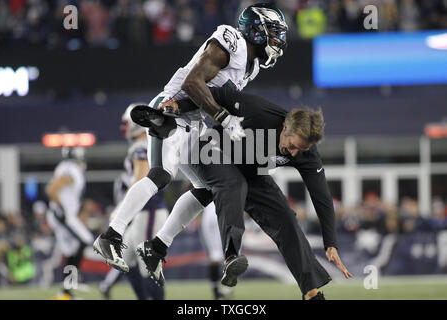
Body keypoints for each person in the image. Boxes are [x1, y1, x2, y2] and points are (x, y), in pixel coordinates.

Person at [93, 3, 289, 278]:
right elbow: (192, 84)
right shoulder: (230, 41)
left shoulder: (250, 67)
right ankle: (110, 235)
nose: (279, 40)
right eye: (274, 32)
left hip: (194, 122)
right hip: (170, 110)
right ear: (256, 31)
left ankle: (157, 247)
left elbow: (221, 100)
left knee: (207, 187)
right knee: (161, 175)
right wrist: (223, 118)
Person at [136, 86, 352, 300]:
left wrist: (330, 242)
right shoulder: (258, 111)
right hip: (214, 151)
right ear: (285, 127)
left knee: (287, 220)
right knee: (232, 184)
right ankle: (231, 255)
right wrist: (179, 105)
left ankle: (311, 294)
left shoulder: (306, 152)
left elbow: (321, 196)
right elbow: (218, 94)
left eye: (301, 150)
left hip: (252, 171)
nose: (295, 153)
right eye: (293, 146)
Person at [97, 105, 168, 300]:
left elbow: (141, 179)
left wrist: (121, 210)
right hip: (143, 213)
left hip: (149, 210)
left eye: (127, 123)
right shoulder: (150, 142)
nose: (125, 127)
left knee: (148, 265)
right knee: (127, 260)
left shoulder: (141, 146)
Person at [45, 146, 94, 300]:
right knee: (85, 240)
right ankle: (71, 283)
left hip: (64, 215)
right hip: (62, 216)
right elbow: (51, 189)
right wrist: (62, 209)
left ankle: (66, 292)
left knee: (71, 251)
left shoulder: (67, 168)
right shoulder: (69, 168)